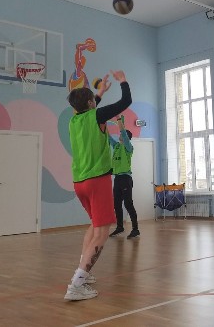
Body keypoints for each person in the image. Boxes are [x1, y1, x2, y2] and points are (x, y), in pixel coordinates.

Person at [65, 70, 132, 301]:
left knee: (94, 225)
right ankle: (77, 284)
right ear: (90, 103)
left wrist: (100, 92)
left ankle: (84, 270)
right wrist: (123, 81)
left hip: (79, 182)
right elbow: (126, 101)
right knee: (102, 232)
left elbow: (91, 111)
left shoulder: (74, 121)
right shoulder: (96, 116)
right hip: (97, 181)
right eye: (93, 100)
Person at [108, 115, 140, 239]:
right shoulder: (116, 146)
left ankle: (135, 229)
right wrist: (103, 126)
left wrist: (120, 122)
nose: (120, 135)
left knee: (128, 204)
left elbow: (124, 135)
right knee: (116, 204)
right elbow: (108, 137)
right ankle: (120, 227)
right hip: (117, 179)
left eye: (122, 134)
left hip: (126, 179)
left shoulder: (128, 148)